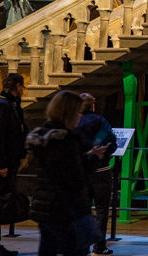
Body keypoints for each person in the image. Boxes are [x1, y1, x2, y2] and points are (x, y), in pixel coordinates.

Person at [26, 90, 91, 256]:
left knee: (47, 248)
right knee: (75, 250)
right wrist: (90, 160)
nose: (80, 116)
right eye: (78, 112)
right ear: (68, 113)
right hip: (65, 208)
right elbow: (73, 179)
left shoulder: (42, 137)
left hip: (44, 204)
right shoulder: (67, 141)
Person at [0, 73, 27, 256]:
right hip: (2, 165)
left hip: (10, 162)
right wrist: (0, 164)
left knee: (1, 204)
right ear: (16, 85)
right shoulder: (2, 106)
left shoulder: (12, 105)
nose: (23, 90)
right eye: (22, 86)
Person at [75, 93, 116, 255]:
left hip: (82, 173)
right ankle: (99, 247)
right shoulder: (100, 121)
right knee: (101, 210)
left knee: (83, 210)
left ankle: (82, 246)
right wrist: (103, 156)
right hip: (101, 171)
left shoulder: (75, 122)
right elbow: (111, 140)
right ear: (93, 106)